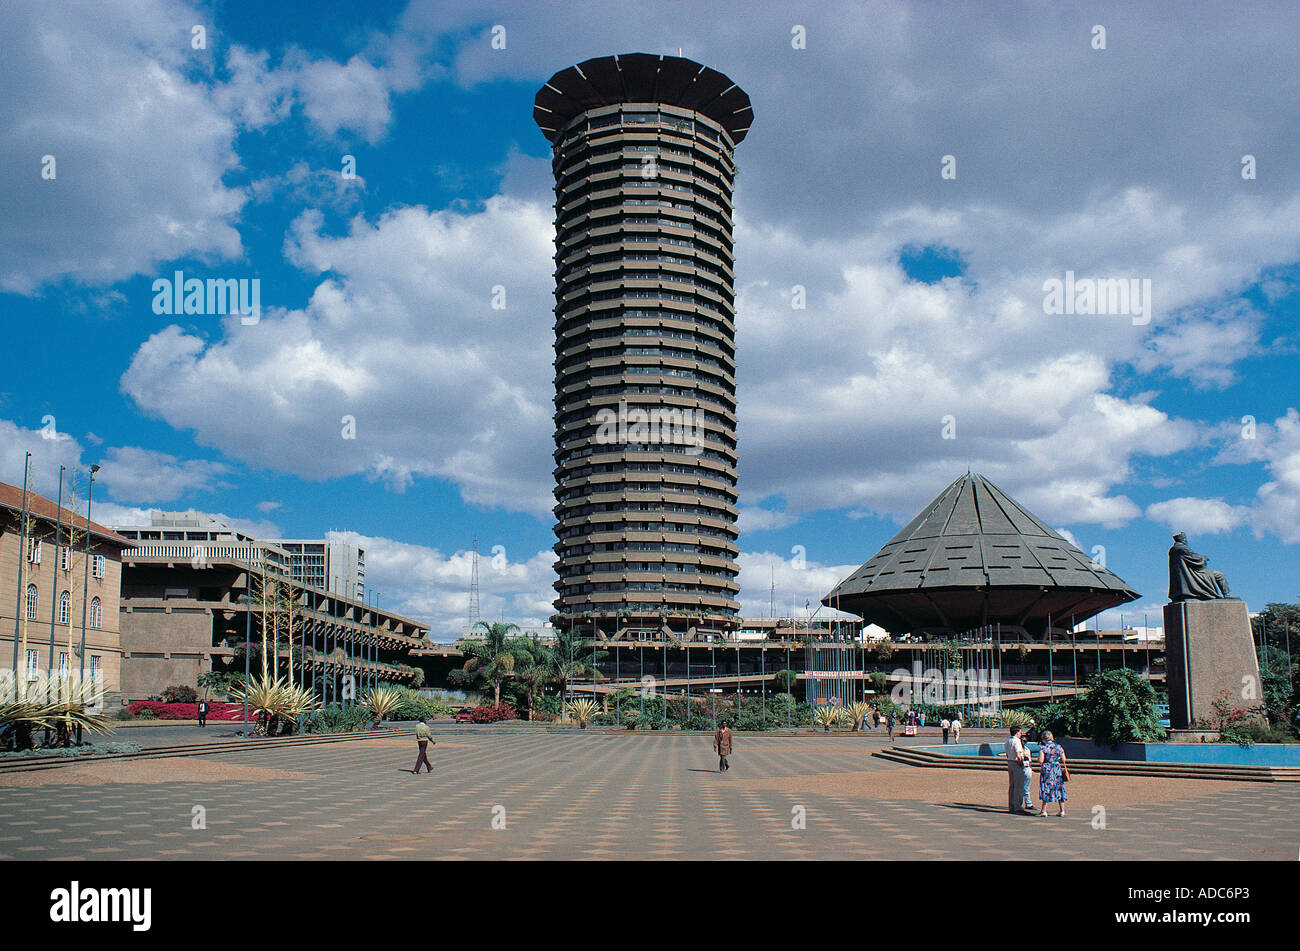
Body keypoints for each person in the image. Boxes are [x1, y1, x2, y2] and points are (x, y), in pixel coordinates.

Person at [1037, 730, 1069, 817]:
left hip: (1047, 769)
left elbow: (1040, 760)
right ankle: (1062, 810)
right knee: (1059, 787)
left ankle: (1044, 810)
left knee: (1046, 788)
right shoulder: (1058, 747)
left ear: (1043, 738)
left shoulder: (1043, 748)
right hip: (1056, 769)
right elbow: (1064, 759)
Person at [1005, 726, 1031, 814]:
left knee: (1012, 785)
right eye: (1020, 732)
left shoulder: (1008, 741)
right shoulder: (1017, 741)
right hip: (1016, 763)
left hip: (1010, 762)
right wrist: (1021, 764)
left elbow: (1007, 754)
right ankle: (1018, 806)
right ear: (1017, 733)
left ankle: (1011, 805)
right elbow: (1019, 755)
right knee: (1018, 785)